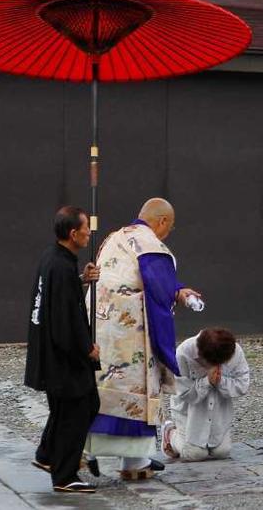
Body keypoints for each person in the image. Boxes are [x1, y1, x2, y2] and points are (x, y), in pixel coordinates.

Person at [85, 198, 202, 480]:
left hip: (99, 327)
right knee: (135, 389)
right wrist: (177, 294)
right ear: (162, 221)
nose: (168, 233)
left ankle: (87, 451)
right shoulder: (151, 246)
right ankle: (135, 462)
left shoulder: (115, 238)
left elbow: (148, 280)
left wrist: (177, 290)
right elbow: (159, 289)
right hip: (130, 335)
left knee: (101, 388)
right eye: (170, 227)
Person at [24, 206, 101, 494]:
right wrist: (87, 349)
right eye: (85, 229)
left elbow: (59, 298)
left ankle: (47, 454)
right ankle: (65, 475)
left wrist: (81, 279)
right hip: (63, 356)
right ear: (73, 233)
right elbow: (65, 320)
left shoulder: (54, 258)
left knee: (67, 408)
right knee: (77, 410)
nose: (88, 233)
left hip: (51, 351)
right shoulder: (60, 266)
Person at [161, 328, 250, 462]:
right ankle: (170, 433)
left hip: (219, 410)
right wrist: (207, 381)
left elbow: (242, 385)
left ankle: (206, 442)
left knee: (222, 452)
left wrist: (220, 381)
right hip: (189, 410)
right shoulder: (183, 353)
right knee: (195, 454)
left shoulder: (234, 351)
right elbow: (183, 392)